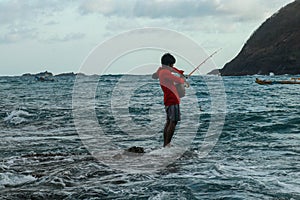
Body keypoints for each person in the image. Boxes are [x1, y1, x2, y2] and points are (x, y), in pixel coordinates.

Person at [152, 53, 186, 147]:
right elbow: (179, 81)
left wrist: (179, 71)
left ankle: (165, 144)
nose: (173, 67)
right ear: (168, 65)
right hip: (173, 99)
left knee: (168, 121)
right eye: (172, 65)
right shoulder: (165, 72)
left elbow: (154, 76)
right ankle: (167, 144)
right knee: (173, 122)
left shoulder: (161, 70)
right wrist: (182, 78)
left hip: (167, 99)